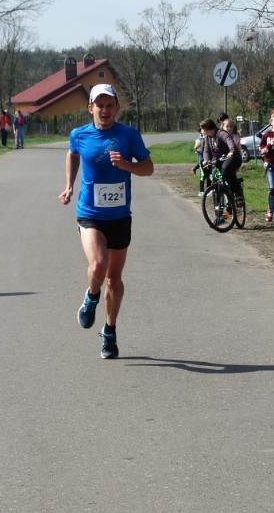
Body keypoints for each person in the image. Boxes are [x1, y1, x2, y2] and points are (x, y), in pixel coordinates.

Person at [58, 84, 154, 359]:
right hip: (90, 213)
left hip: (120, 217)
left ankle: (109, 331)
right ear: (91, 108)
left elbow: (148, 168)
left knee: (113, 278)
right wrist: (68, 185)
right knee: (98, 265)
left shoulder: (128, 135)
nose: (105, 110)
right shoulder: (79, 135)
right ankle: (91, 297)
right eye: (99, 105)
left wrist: (127, 165)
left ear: (117, 108)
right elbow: (72, 154)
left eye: (110, 105)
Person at [200, 118, 242, 197]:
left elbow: (229, 140)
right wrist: (206, 160)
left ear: (207, 129)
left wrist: (232, 151)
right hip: (219, 160)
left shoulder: (221, 133)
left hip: (233, 157)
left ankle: (237, 192)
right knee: (214, 173)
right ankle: (219, 199)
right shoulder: (208, 137)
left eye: (202, 129)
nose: (201, 130)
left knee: (225, 168)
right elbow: (206, 150)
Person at [192, 128, 208, 197]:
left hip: (208, 159)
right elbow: (196, 147)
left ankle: (209, 189)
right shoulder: (201, 139)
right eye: (202, 130)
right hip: (202, 159)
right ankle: (201, 191)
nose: (204, 131)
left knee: (209, 175)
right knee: (203, 175)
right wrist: (198, 149)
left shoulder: (209, 137)